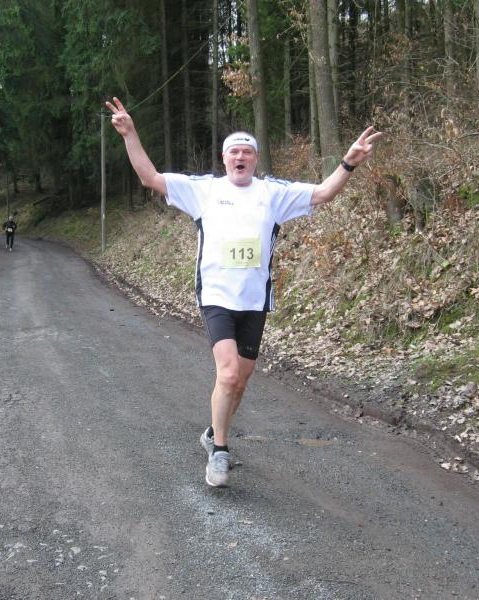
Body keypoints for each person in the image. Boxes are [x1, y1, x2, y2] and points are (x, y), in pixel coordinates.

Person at [106, 96, 382, 488]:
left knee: (240, 381)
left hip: (254, 301)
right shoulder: (204, 190)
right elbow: (150, 177)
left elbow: (322, 193)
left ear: (255, 160)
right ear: (224, 159)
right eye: (234, 151)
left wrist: (349, 162)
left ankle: (212, 431)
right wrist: (130, 133)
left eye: (247, 152)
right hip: (216, 296)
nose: (240, 157)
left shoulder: (273, 193)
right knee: (229, 371)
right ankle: (219, 451)